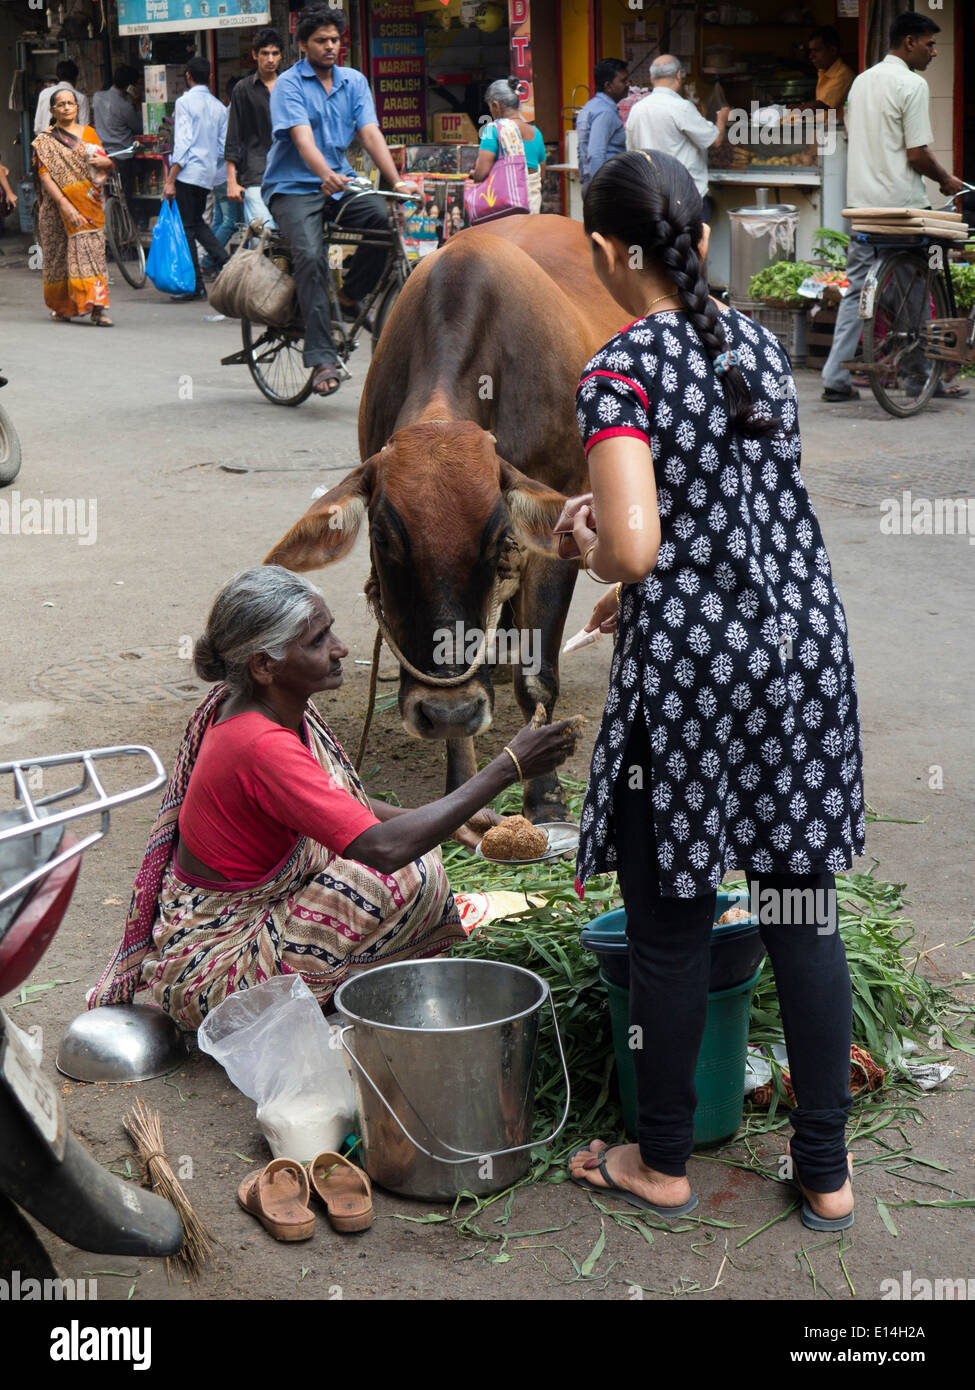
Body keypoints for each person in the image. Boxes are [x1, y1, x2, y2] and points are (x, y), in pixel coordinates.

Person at [560, 149, 864, 1230]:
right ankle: (825, 1174)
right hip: (802, 653)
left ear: (607, 249)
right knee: (800, 914)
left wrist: (593, 548)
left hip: (695, 681)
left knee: (673, 925)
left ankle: (661, 1159)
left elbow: (639, 546)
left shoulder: (621, 367)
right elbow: (738, 512)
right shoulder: (758, 347)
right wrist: (642, 589)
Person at [88, 566, 578, 1027]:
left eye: (331, 632)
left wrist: (452, 821)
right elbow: (383, 849)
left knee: (409, 864)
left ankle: (342, 984)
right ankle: (333, 996)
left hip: (232, 928)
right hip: (214, 970)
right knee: (397, 874)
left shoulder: (264, 709)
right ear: (265, 664)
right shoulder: (260, 744)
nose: (341, 649)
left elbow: (338, 800)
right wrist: (506, 768)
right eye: (319, 641)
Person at [262, 6, 419, 398]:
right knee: (311, 257)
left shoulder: (353, 82)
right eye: (321, 41)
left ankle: (349, 295)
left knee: (383, 222)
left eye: (335, 40)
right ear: (302, 44)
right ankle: (321, 358)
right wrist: (323, 174)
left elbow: (369, 134)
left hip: (341, 184)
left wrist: (397, 182)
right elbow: (302, 139)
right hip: (293, 187)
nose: (330, 47)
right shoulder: (288, 84)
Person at [821, 11, 966, 402]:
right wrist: (946, 180)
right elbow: (916, 154)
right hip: (901, 211)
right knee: (918, 293)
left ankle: (834, 379)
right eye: (929, 44)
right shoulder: (911, 84)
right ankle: (921, 381)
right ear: (909, 43)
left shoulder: (862, 82)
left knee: (854, 293)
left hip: (862, 208)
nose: (934, 52)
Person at [32, 90, 114, 325]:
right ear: (52, 111)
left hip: (88, 204)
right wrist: (65, 205)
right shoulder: (45, 141)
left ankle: (97, 309)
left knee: (92, 257)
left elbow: (102, 163)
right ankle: (62, 307)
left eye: (70, 103)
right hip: (56, 207)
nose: (67, 107)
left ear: (78, 107)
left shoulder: (89, 133)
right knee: (58, 257)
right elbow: (45, 177)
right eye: (61, 104)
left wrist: (107, 162)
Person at [624, 57, 730, 225]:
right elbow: (715, 140)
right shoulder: (681, 107)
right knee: (690, 249)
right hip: (684, 197)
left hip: (652, 197)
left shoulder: (637, 110)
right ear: (679, 75)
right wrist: (722, 119)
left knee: (660, 249)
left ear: (652, 78)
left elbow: (632, 153)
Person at [162, 55, 230, 302]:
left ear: (188, 76)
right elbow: (223, 147)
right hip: (207, 173)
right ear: (210, 77)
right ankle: (226, 265)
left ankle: (195, 284)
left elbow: (183, 143)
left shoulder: (185, 103)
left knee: (189, 228)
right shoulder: (219, 107)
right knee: (196, 224)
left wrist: (171, 179)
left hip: (188, 172)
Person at [224, 27, 283, 230]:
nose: (270, 59)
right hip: (255, 175)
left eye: (275, 53)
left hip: (288, 175)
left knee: (289, 245)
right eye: (265, 53)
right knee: (265, 236)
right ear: (255, 55)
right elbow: (233, 137)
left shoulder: (290, 86)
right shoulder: (243, 89)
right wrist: (231, 180)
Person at [469, 77, 546, 214]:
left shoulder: (492, 130)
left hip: (505, 211)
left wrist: (473, 175)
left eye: (490, 108)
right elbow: (542, 175)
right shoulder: (536, 133)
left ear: (496, 105)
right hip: (533, 208)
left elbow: (482, 172)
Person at [576, 58, 629, 195]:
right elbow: (595, 153)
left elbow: (582, 149)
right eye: (623, 81)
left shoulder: (591, 107)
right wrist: (599, 191)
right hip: (606, 187)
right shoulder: (605, 112)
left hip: (595, 183)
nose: (628, 84)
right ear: (608, 86)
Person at [92, 66, 142, 203]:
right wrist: (137, 104)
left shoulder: (97, 97)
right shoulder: (125, 106)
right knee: (127, 194)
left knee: (107, 191)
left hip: (103, 153)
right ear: (129, 86)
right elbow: (138, 127)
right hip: (123, 156)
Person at [34, 61, 90, 136]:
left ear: (57, 77)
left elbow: (37, 128)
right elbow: (84, 131)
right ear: (76, 77)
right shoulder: (81, 98)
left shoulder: (44, 94)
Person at [807, 26, 855, 111]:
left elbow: (821, 105)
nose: (811, 56)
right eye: (810, 51)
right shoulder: (823, 71)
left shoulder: (843, 74)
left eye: (816, 51)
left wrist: (788, 109)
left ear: (833, 50)